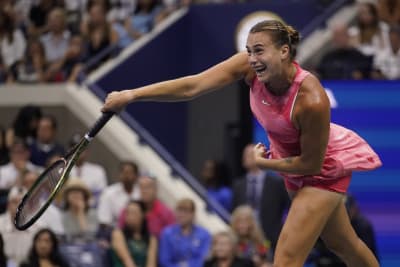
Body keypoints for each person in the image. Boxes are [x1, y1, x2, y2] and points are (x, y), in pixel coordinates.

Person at [102, 19, 382, 267]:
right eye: (249, 51)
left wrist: (263, 163)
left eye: (259, 50)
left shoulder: (312, 99)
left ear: (284, 51)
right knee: (343, 244)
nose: (252, 58)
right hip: (292, 165)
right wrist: (131, 94)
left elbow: (311, 163)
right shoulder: (248, 67)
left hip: (321, 170)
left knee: (285, 260)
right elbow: (193, 86)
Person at [232, 143, 289, 251]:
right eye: (244, 155)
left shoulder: (277, 183)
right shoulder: (238, 185)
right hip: (244, 241)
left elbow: (288, 208)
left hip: (272, 238)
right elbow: (234, 211)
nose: (245, 158)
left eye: (250, 154)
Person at [159, 198, 211, 267]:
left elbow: (201, 260)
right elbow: (164, 260)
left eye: (186, 212)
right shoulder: (167, 233)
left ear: (193, 214)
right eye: (179, 211)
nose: (181, 215)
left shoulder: (204, 235)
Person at [111, 200, 157, 267]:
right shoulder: (118, 234)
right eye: (128, 213)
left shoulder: (152, 239)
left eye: (134, 213)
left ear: (143, 215)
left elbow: (151, 264)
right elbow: (127, 260)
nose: (130, 217)